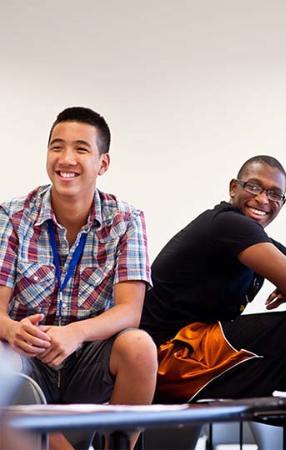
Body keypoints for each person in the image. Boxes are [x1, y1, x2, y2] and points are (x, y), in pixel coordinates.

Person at [0, 107, 157, 449]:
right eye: (57, 147)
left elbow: (130, 311)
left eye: (81, 149)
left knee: (139, 346)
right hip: (27, 357)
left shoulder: (127, 219)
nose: (66, 158)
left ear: (103, 163)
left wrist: (75, 334)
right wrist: (12, 329)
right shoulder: (11, 215)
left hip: (87, 354)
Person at [140, 155, 286, 403]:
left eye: (274, 194)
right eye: (253, 187)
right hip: (168, 354)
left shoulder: (256, 238)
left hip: (199, 349)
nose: (262, 199)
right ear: (233, 188)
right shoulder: (229, 224)